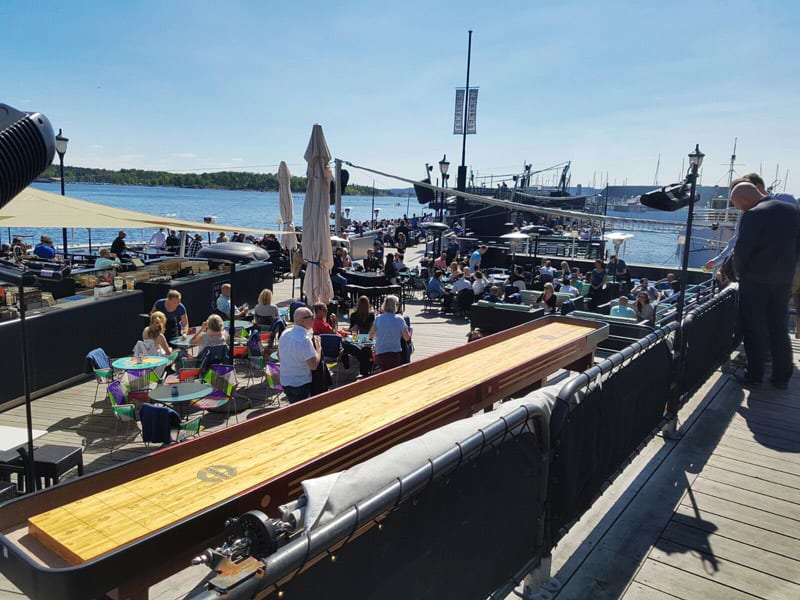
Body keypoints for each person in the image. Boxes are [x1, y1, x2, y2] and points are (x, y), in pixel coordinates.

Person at [732, 182, 800, 389]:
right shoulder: (792, 210)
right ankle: (782, 377)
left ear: (745, 200)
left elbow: (742, 251)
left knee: (754, 328)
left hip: (755, 281)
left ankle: (754, 375)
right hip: (783, 280)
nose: (739, 209)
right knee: (779, 327)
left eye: (737, 205)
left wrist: (738, 274)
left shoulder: (754, 214)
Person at [705, 173, 798, 272]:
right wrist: (717, 260)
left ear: (757, 187)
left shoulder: (785, 200)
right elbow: (736, 240)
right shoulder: (748, 212)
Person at [277, 307, 321, 403]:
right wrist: (319, 349)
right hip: (301, 384)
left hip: (285, 381)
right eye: (311, 317)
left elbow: (279, 355)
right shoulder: (304, 339)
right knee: (301, 413)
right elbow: (313, 366)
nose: (313, 319)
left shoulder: (285, 333)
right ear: (302, 321)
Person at [369, 295, 411, 372]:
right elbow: (407, 338)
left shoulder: (378, 318)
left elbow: (371, 336)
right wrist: (409, 331)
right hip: (394, 353)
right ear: (395, 305)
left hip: (380, 352)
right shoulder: (400, 319)